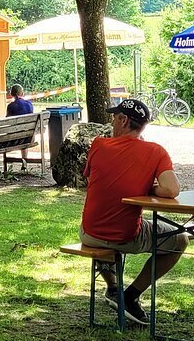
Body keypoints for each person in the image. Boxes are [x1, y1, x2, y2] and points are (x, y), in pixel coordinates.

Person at [78, 98, 187, 326]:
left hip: (90, 233)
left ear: (123, 119)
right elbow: (172, 189)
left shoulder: (98, 144)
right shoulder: (156, 152)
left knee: (103, 228)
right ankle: (129, 295)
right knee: (180, 239)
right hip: (126, 236)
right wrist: (148, 186)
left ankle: (114, 288)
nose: (112, 124)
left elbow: (94, 180)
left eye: (114, 118)